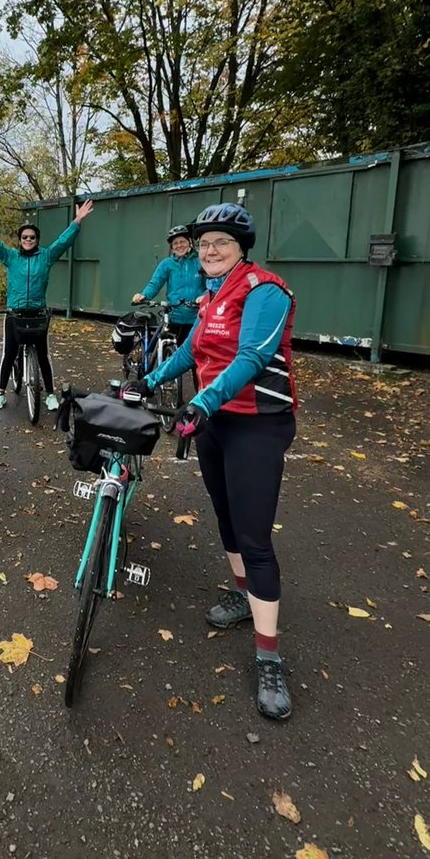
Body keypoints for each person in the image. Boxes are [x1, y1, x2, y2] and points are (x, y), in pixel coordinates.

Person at [137, 203, 297, 721]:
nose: (209, 250)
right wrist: (150, 379)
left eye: (220, 243)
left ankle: (268, 656)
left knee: (254, 535)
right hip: (214, 423)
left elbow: (251, 358)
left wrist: (203, 401)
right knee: (225, 516)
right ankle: (240, 594)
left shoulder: (264, 290)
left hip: (257, 423)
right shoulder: (210, 295)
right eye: (204, 243)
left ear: (241, 248)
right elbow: (190, 350)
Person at [0, 198, 94, 412]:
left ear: (37, 239)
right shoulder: (10, 257)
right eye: (25, 237)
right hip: (14, 313)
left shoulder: (45, 256)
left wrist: (77, 221)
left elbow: (63, 242)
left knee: (43, 355)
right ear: (20, 240)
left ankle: (50, 395)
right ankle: (0, 394)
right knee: (9, 354)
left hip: (37, 314)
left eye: (32, 237)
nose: (28, 239)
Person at [131, 225, 204, 345]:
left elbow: (211, 285)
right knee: (170, 351)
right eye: (175, 243)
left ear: (189, 242)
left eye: (182, 241)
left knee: (193, 353)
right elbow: (155, 284)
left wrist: (204, 296)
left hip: (196, 316)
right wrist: (144, 296)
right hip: (174, 316)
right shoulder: (167, 264)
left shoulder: (200, 262)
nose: (179, 245)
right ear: (172, 247)